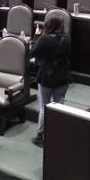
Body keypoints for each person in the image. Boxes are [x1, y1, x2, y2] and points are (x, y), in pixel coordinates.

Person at [31, 13, 72, 147]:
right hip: (62, 76)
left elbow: (33, 52)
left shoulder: (44, 39)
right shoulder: (67, 38)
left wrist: (37, 35)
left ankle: (40, 136)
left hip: (47, 76)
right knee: (59, 106)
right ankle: (57, 133)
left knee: (44, 106)